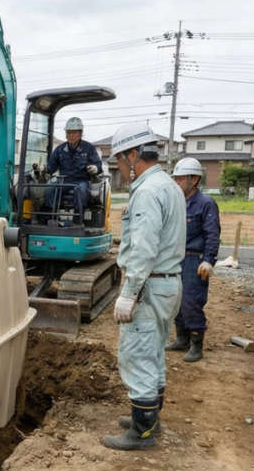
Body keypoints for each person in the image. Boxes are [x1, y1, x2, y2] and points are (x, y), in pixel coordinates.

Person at [104, 123, 186, 451]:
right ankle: (149, 415)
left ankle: (142, 431)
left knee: (137, 354)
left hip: (149, 286)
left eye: (121, 164)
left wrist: (128, 294)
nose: (121, 171)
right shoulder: (168, 186)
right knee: (153, 352)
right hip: (168, 284)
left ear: (133, 155)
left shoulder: (148, 192)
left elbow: (143, 248)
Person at [166, 157, 221, 362]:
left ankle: (197, 346)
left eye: (180, 179)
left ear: (194, 179)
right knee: (176, 301)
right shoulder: (177, 202)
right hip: (175, 258)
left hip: (193, 260)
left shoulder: (205, 204)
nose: (177, 182)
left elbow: (212, 234)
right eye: (176, 178)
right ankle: (182, 339)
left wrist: (208, 260)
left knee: (191, 302)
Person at [44, 117, 102, 221]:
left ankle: (77, 217)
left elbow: (98, 165)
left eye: (74, 132)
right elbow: (51, 166)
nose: (71, 135)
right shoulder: (60, 149)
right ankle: (51, 215)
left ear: (80, 133)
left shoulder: (88, 148)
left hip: (81, 180)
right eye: (68, 132)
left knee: (81, 189)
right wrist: (44, 169)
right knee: (50, 186)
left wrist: (95, 168)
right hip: (64, 180)